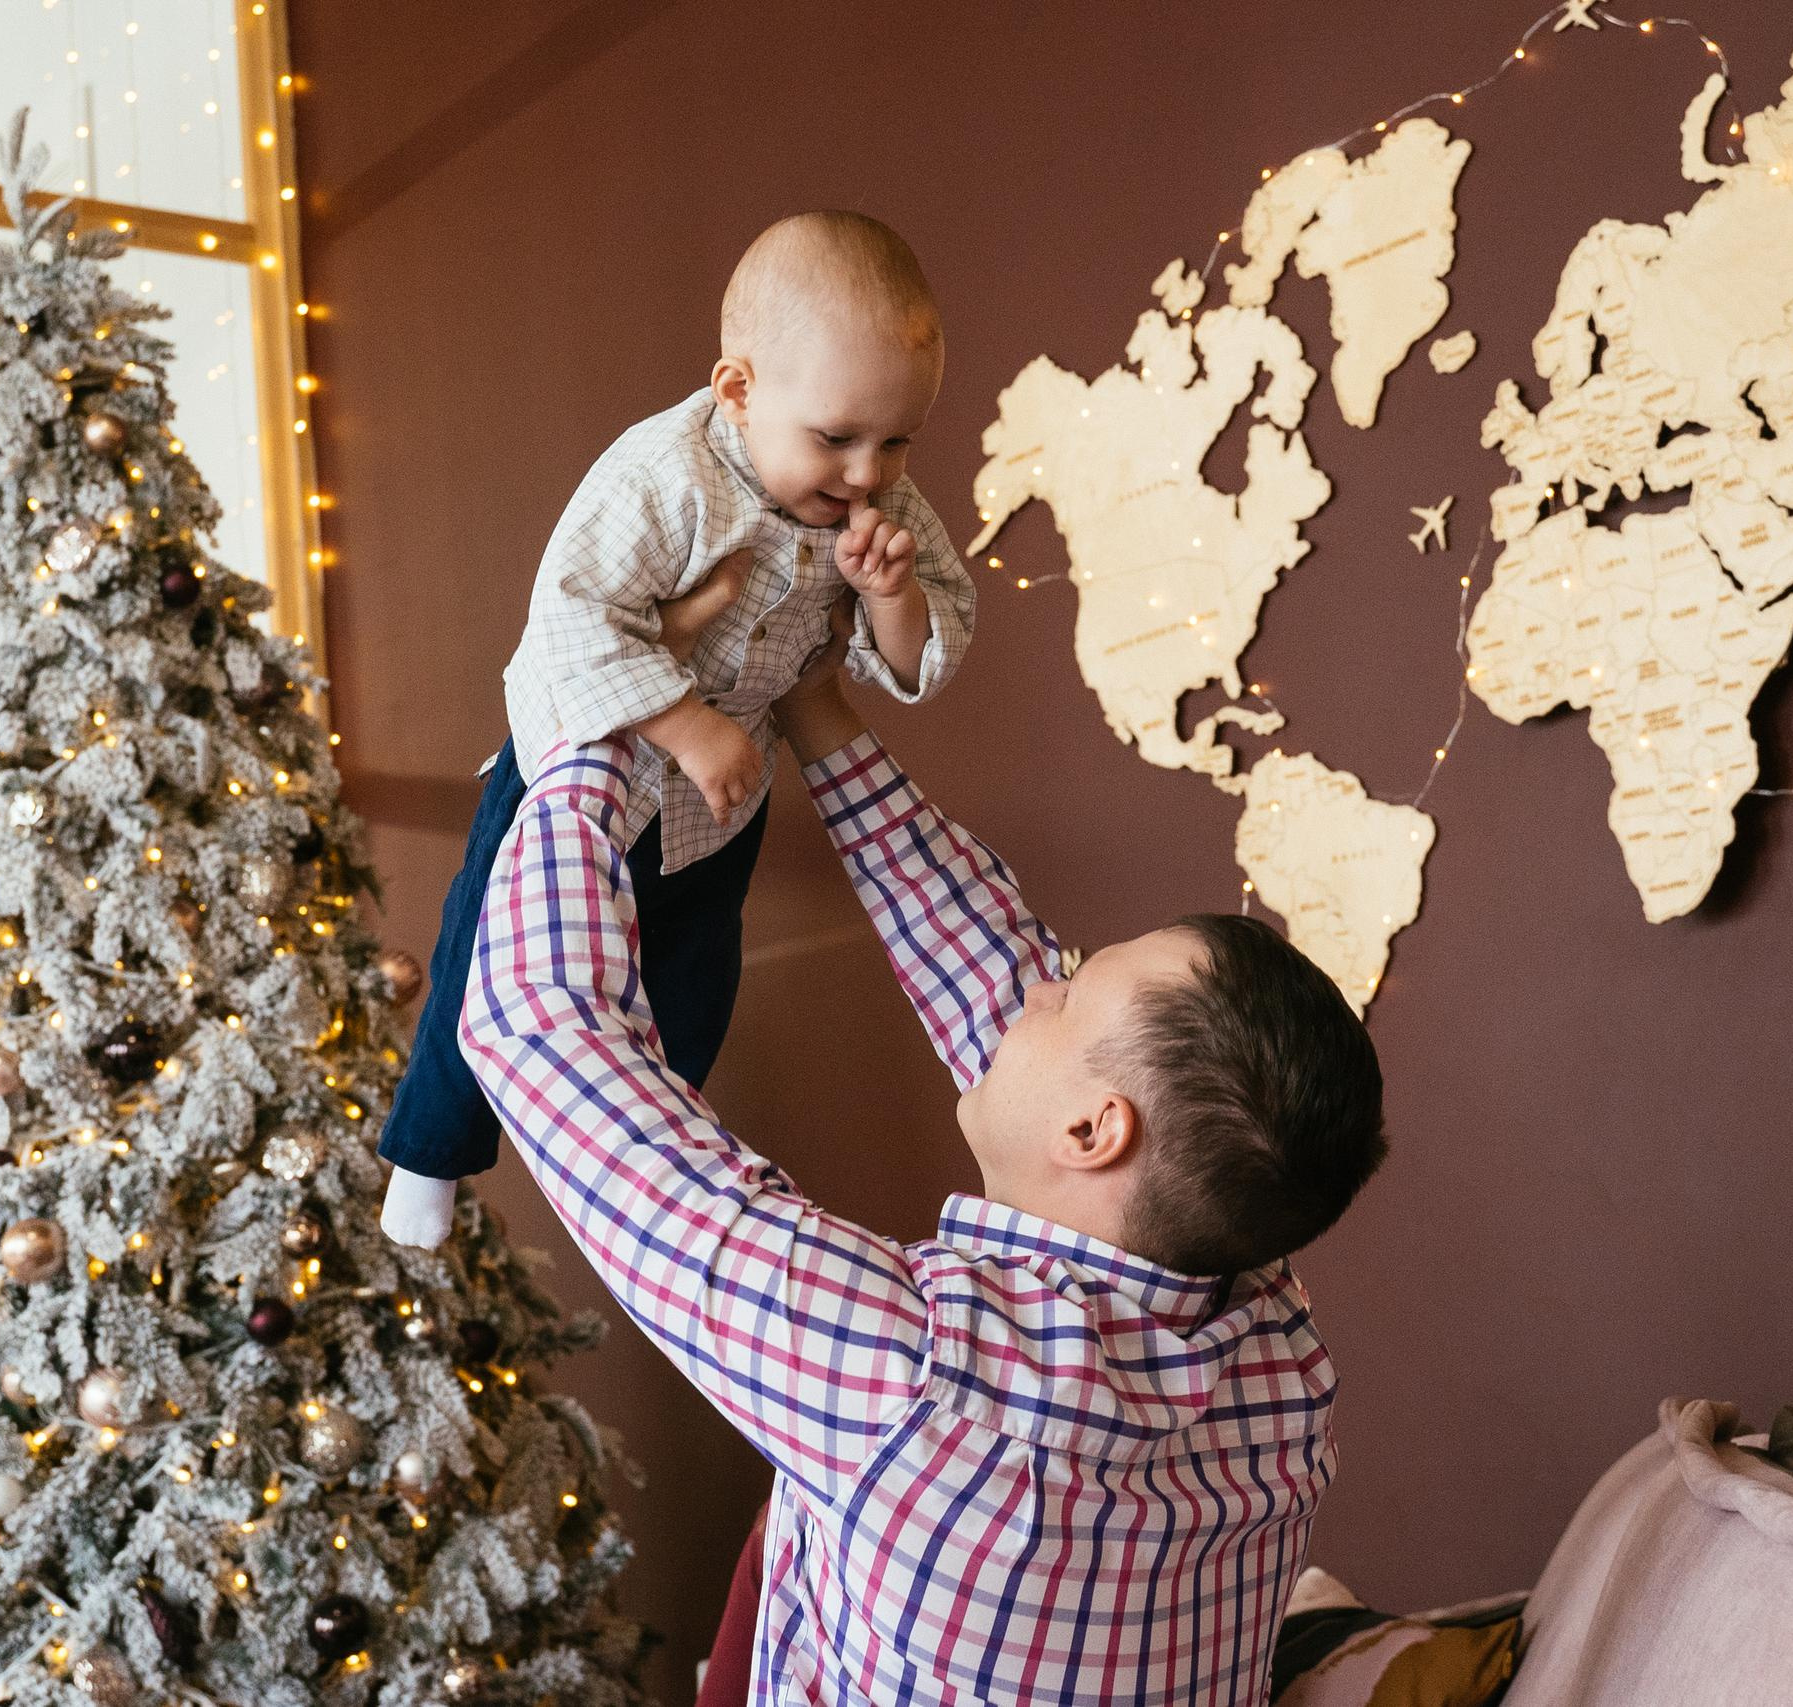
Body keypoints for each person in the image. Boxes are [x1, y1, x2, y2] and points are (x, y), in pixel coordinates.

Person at [456, 644, 1389, 1704]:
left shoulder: (917, 1380)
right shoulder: (1274, 1354)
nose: (1035, 990)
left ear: (1095, 1131)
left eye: (1070, 991)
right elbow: (994, 979)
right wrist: (817, 710)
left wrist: (601, 712)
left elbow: (543, 1035)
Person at [378, 209, 977, 1247]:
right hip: (580, 765)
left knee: (691, 989)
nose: (869, 472)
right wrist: (686, 723)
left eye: (897, 440)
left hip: (716, 801)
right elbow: (568, 618)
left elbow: (924, 648)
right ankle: (429, 1157)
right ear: (738, 391)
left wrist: (888, 596)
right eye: (837, 438)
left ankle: (651, 1172)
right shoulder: (664, 476)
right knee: (492, 957)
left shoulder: (882, 503)